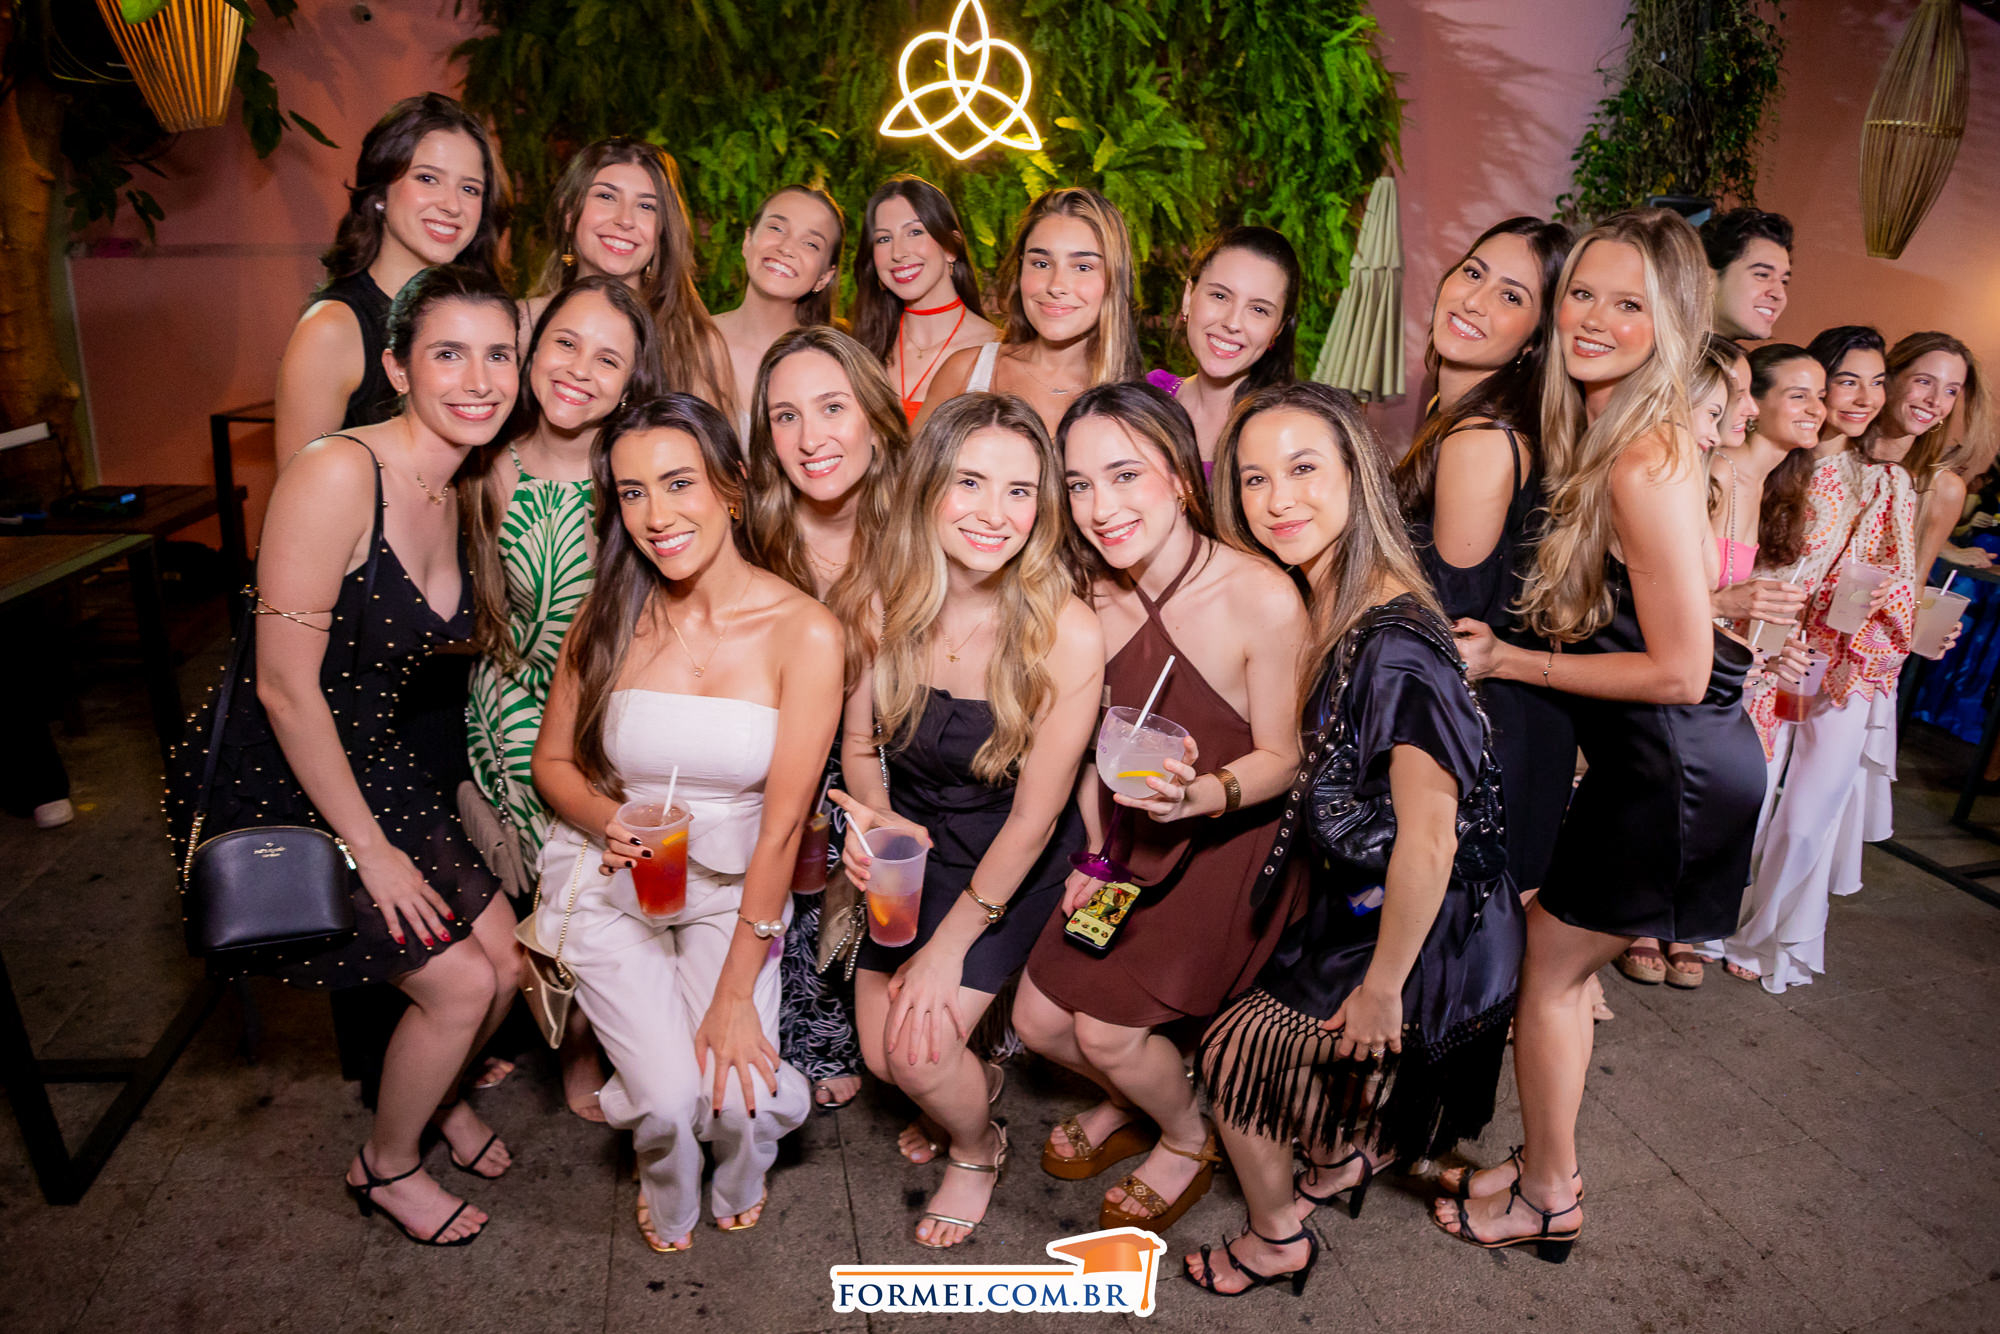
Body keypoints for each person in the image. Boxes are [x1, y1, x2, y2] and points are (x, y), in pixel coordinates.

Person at [167, 266, 525, 1246]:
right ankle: (387, 1163)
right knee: (459, 984)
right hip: (276, 771)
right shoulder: (336, 473)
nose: (478, 378)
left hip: (369, 753)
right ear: (396, 367)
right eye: (448, 353)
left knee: (508, 962)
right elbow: (284, 688)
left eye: (498, 354)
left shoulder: (462, 482)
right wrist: (372, 851)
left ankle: (439, 1096)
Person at [1438, 210, 1764, 1259]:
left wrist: (1506, 659)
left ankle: (1547, 1193)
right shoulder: (1618, 431)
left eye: (1628, 304)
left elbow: (1676, 670)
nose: (1592, 318)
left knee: (1547, 970)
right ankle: (1544, 1165)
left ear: (1669, 321)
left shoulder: (1643, 454)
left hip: (1670, 769)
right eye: (1581, 292)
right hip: (1661, 761)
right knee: (1561, 967)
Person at [1183, 382, 1521, 1295]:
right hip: (1368, 896)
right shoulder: (1331, 598)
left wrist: (1383, 989)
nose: (1277, 499)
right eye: (1255, 478)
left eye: (1303, 469)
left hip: (1431, 921)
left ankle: (1276, 1241)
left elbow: (1431, 843)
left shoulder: (1394, 645)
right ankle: (1338, 1158)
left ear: (1356, 475)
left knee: (1230, 1055)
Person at [529, 394, 842, 1253]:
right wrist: (610, 819)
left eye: (678, 483)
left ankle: (743, 1170)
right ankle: (665, 1182)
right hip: (613, 879)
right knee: (668, 1101)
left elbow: (782, 829)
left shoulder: (805, 633)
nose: (656, 516)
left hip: (737, 889)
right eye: (632, 493)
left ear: (732, 487)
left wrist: (736, 994)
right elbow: (550, 764)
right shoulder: (606, 615)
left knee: (738, 1098)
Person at [1013, 382, 1309, 1234]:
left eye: (1125, 475)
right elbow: (1082, 750)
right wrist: (1095, 853)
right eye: (1079, 485)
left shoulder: (1261, 595)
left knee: (1104, 1033)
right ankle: (1146, 1093)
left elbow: (1285, 758)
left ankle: (1185, 1135)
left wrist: (1200, 796)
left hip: (1231, 846)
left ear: (1180, 476)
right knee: (1037, 1020)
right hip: (1130, 845)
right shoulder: (1090, 595)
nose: (1100, 508)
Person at [833, 392, 1103, 1249]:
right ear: (928, 488)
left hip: (1011, 858)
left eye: (1019, 491)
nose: (995, 514)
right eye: (970, 482)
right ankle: (972, 1082)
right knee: (884, 1057)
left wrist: (948, 948)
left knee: (914, 1056)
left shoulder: (1065, 631)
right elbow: (860, 747)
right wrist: (879, 829)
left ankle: (978, 1148)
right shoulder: (877, 603)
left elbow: (1035, 819)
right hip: (913, 849)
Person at [462, 276, 663, 1117]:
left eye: (607, 358)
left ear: (631, 382)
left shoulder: (635, 477)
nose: (580, 368)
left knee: (623, 886)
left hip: (612, 707)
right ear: (532, 350)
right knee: (556, 896)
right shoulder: (484, 469)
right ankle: (572, 1045)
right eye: (565, 343)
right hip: (516, 707)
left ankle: (615, 1035)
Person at [1719, 330, 1971, 989]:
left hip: (1849, 661)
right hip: (1760, 647)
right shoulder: (1778, 456)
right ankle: (1697, 924)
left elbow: (1905, 581)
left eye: (1877, 382)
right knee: (1743, 796)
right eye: (1921, 380)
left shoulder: (1902, 483)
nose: (1867, 397)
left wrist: (1907, 624)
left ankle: (1765, 937)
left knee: (1809, 818)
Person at [742, 325, 910, 1112]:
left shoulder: (923, 532)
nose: (811, 438)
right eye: (786, 416)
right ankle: (804, 1025)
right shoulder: (747, 538)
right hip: (777, 758)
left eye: (833, 407)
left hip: (896, 754)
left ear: (875, 416)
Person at [1618, 342, 1822, 989]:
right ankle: (1638, 917)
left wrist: (1771, 648)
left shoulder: (1765, 483)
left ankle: (1674, 916)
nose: (1744, 408)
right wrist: (1726, 610)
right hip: (1662, 653)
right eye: (1799, 394)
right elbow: (1655, 588)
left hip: (1716, 658)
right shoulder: (1707, 470)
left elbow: (1738, 599)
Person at [1394, 216, 1572, 911]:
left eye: (1511, 295)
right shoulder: (1464, 414)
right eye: (1473, 272)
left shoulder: (1480, 439)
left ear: (1535, 338)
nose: (1474, 299)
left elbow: (1446, 619)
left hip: (1476, 742)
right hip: (1485, 726)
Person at [274, 94, 504, 465]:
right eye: (427, 178)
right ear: (381, 191)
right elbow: (298, 489)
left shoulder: (481, 315)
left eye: (469, 189)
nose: (452, 205)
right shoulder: (333, 329)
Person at [526, 137, 733, 412]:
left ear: (663, 231)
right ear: (568, 212)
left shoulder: (692, 344)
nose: (625, 220)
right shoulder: (524, 324)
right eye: (606, 197)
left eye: (646, 206)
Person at [921, 188, 1141, 436]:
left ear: (1115, 280)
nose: (1055, 285)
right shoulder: (965, 372)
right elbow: (916, 463)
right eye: (1041, 264)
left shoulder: (1142, 402)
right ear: (1020, 269)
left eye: (1082, 267)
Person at [1144, 227, 1302, 474]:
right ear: (1188, 297)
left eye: (1258, 310)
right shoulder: (1146, 398)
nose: (1233, 323)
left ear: (1278, 329)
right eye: (1220, 296)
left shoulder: (1286, 432)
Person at [850, 174, 1000, 425]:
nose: (898, 253)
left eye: (915, 232)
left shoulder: (997, 351)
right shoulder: (860, 349)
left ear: (950, 248)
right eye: (884, 239)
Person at [713, 185, 845, 436]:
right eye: (776, 228)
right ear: (747, 241)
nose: (786, 248)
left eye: (810, 243)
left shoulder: (837, 364)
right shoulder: (686, 340)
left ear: (824, 277)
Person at [1700, 207, 1792, 343]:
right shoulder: (1670, 351)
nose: (1779, 295)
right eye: (1762, 275)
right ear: (1707, 278)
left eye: (1784, 281)